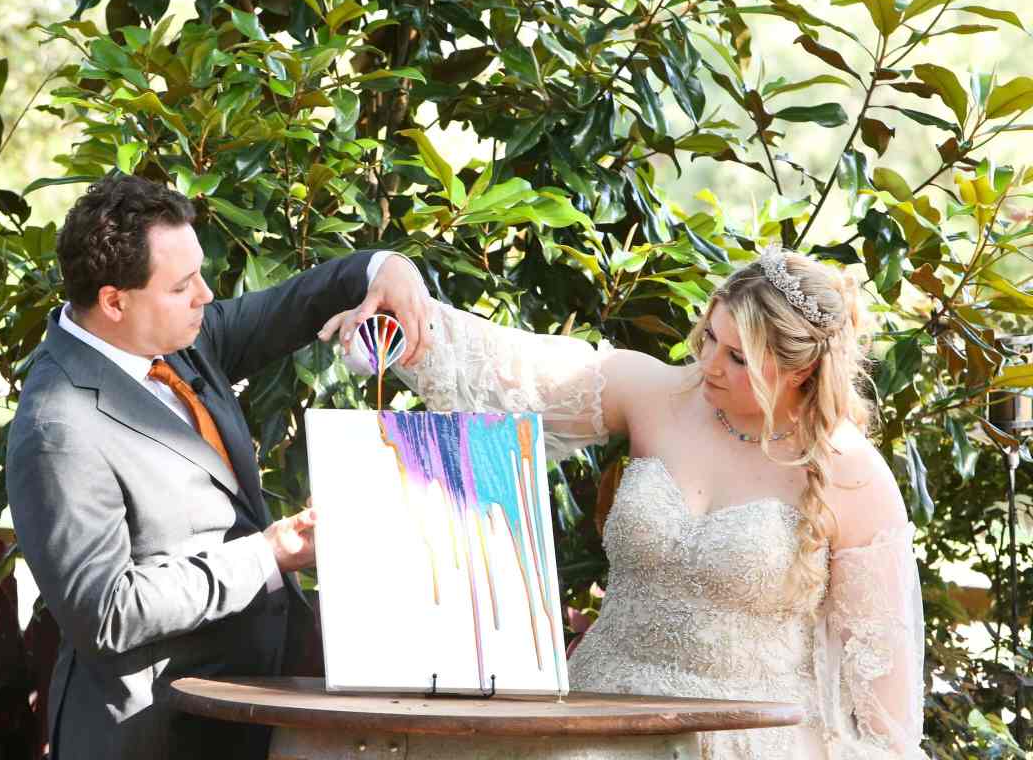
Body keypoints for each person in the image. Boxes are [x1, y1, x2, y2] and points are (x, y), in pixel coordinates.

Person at [323, 246, 926, 758]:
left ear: (800, 371)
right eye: (710, 337)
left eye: (739, 358)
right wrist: (398, 288)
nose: (709, 365)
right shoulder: (654, 393)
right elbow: (501, 369)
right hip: (595, 716)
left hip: (747, 740)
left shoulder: (853, 477)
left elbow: (883, 708)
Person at [6, 174, 429, 760]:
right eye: (183, 285)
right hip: (155, 735)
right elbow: (106, 612)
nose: (205, 295)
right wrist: (268, 555)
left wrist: (382, 268)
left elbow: (295, 303)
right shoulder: (59, 426)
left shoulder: (175, 339)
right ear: (114, 300)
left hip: (250, 713)